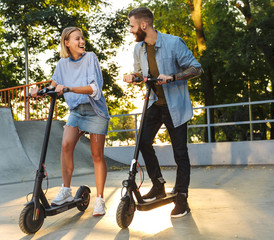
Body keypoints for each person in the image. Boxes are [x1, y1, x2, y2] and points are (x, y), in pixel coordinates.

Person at [123, 7, 202, 218]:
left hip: (175, 106)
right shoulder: (138, 48)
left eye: (131, 26)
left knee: (180, 153)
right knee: (142, 143)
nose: (130, 30)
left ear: (143, 25)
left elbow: (196, 68)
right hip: (154, 105)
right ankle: (158, 185)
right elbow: (140, 73)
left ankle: (182, 197)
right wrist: (133, 76)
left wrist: (174, 77)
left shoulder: (173, 43)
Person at [31, 27, 109, 216]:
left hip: (95, 111)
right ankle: (66, 190)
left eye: (82, 38)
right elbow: (54, 85)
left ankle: (99, 199)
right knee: (66, 145)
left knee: (97, 155)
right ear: (66, 43)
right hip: (76, 112)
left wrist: (69, 89)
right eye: (77, 39)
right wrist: (37, 91)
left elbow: (94, 88)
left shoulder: (90, 58)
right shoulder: (62, 64)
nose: (82, 41)